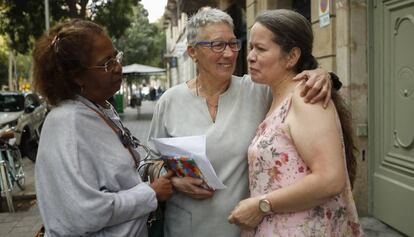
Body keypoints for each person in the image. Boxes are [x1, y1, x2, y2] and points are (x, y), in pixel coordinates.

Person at [148, 8, 338, 237]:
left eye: (233, 44)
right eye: (217, 45)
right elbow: (151, 162)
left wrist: (322, 74)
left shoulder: (258, 90)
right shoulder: (169, 101)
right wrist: (175, 182)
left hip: (246, 228)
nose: (229, 54)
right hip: (186, 227)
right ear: (192, 51)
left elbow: (292, 83)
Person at [227, 9, 363, 236]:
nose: (250, 56)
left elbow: (330, 179)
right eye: (251, 47)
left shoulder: (304, 98)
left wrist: (261, 204)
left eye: (260, 49)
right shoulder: (274, 95)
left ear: (292, 57)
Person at [33, 19, 173, 236]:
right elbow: (80, 214)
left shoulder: (98, 108)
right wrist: (150, 193)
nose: (118, 68)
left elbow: (114, 178)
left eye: (116, 57)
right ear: (77, 76)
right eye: (107, 63)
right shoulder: (68, 123)